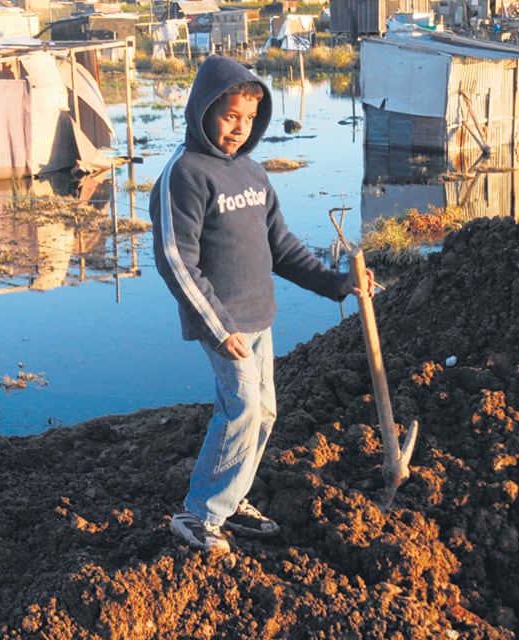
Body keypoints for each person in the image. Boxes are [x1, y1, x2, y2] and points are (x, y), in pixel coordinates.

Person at [150, 55, 375, 552]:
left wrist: (336, 284)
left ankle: (231, 499)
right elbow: (175, 259)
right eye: (230, 115)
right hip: (222, 323)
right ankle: (200, 513)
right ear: (204, 109)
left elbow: (282, 246)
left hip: (258, 318)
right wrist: (216, 326)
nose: (238, 128)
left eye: (248, 118)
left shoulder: (252, 174)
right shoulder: (184, 174)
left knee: (265, 412)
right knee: (242, 409)